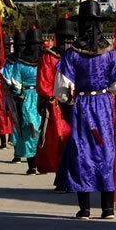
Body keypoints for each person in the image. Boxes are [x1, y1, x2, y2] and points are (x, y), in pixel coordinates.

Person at [55, 0, 116, 220]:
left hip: (81, 106)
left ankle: (85, 208)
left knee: (82, 153)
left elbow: (61, 90)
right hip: (103, 106)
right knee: (105, 152)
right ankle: (107, 208)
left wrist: (70, 100)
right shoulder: (110, 54)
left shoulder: (71, 55)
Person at [36, 17, 75, 183]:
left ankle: (71, 175)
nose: (67, 42)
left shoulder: (76, 56)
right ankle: (62, 175)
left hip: (75, 103)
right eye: (64, 39)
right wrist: (53, 97)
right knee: (59, 140)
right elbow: (44, 83)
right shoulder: (49, 57)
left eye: (69, 39)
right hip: (56, 105)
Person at [2, 27, 43, 174]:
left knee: (29, 129)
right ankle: (34, 162)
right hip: (41, 96)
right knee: (35, 129)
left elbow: (15, 83)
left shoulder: (19, 63)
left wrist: (17, 93)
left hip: (26, 97)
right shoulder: (44, 60)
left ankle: (32, 164)